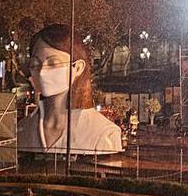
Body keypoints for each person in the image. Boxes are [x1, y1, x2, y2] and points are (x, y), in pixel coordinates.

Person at [17, 24, 122, 155]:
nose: (42, 72)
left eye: (53, 63)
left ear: (78, 68)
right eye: (35, 64)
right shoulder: (22, 129)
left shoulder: (104, 133)